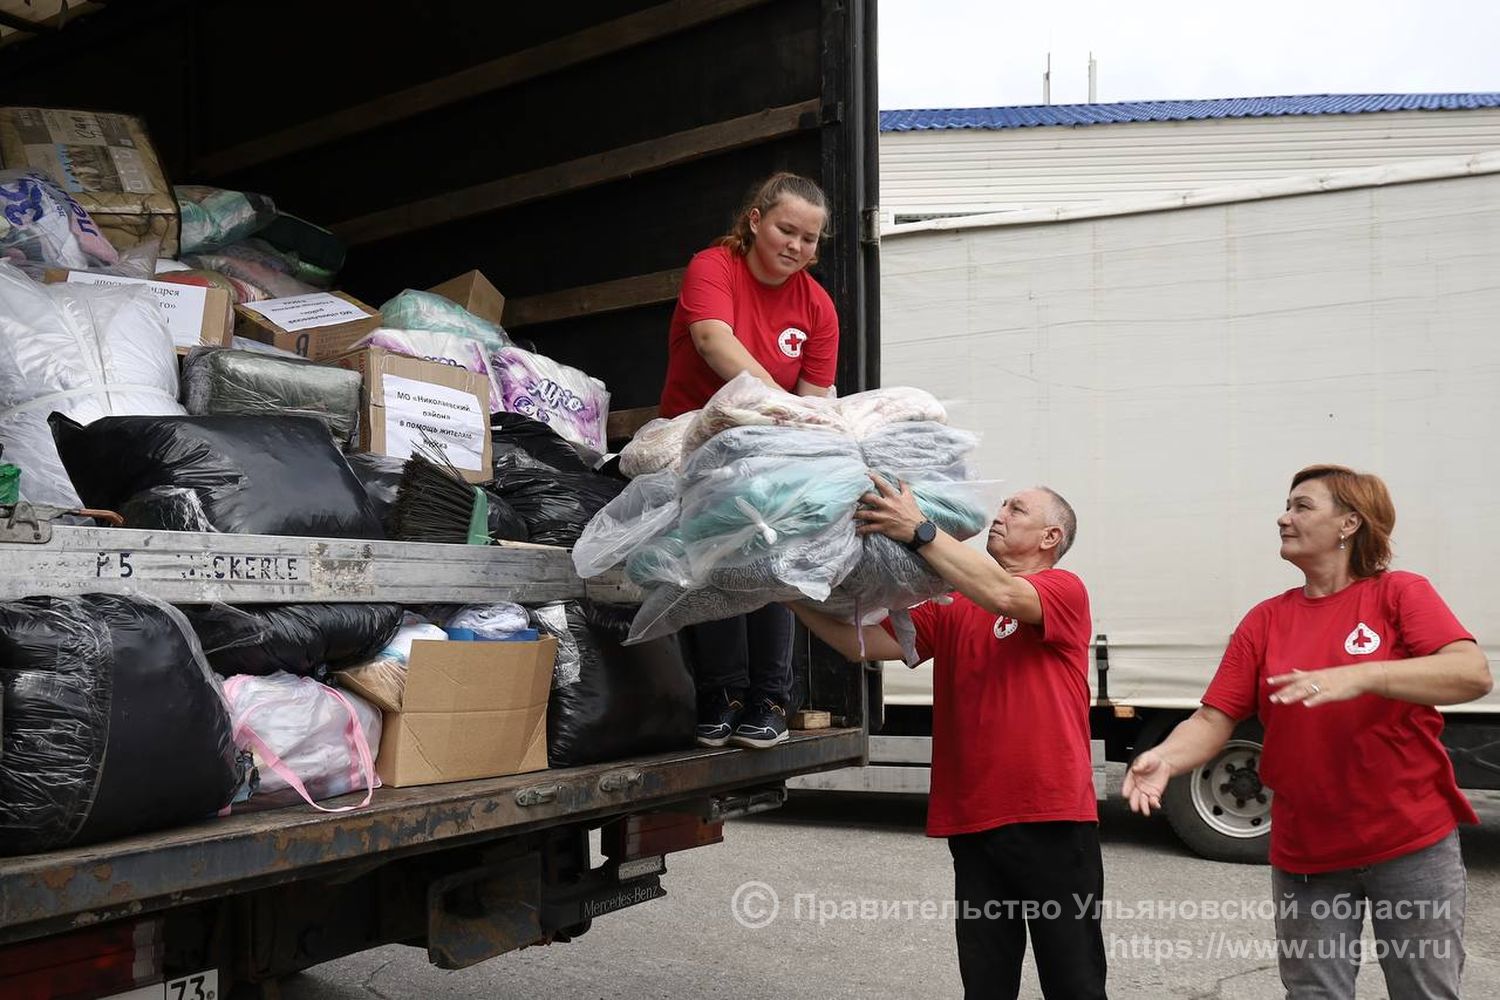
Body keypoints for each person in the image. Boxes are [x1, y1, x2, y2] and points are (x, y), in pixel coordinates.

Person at [1123, 464, 1493, 999]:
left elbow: (1469, 673)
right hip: (1307, 853)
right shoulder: (1264, 621)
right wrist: (1167, 758)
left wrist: (1365, 674)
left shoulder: (1399, 594)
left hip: (1409, 841)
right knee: (1314, 993)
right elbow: (1213, 719)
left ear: (1349, 523)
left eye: (1302, 506)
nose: (1283, 517)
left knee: (1424, 990)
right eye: (1287, 505)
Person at [793, 478, 1108, 1000]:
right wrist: (787, 594)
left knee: (1073, 983)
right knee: (986, 986)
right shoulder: (955, 604)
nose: (999, 513)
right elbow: (860, 643)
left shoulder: (1062, 590)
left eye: (1016, 508)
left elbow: (1005, 593)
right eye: (1003, 504)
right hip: (975, 821)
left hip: (1050, 819)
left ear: (1050, 537)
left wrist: (918, 531)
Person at [659, 172, 840, 750]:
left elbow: (818, 398)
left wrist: (805, 432)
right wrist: (774, 404)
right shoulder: (714, 267)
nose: (797, 247)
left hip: (772, 445)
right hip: (697, 436)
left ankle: (769, 697)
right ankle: (722, 692)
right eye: (787, 230)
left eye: (810, 239)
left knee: (769, 555)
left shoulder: (818, 307)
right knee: (711, 557)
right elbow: (714, 342)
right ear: (756, 220)